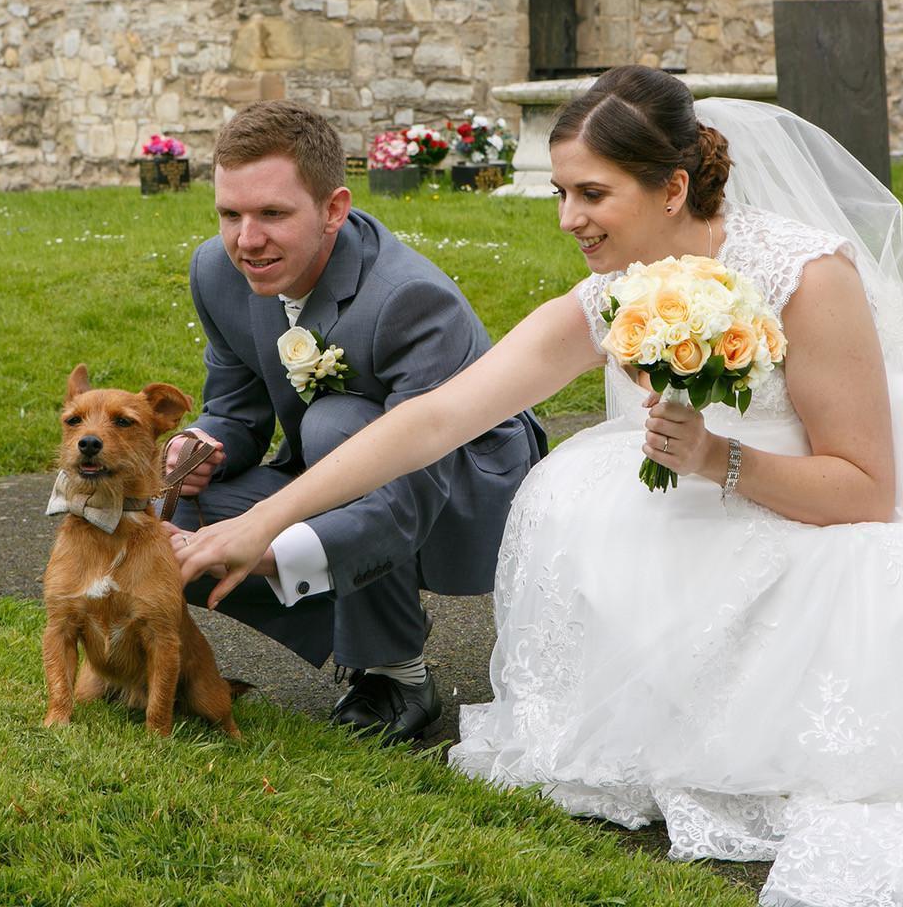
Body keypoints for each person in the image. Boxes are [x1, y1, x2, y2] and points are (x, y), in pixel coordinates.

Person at [173, 67, 903, 905]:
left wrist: (716, 461)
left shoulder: (806, 278)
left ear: (672, 187)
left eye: (592, 193)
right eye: (560, 192)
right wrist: (263, 520)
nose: (568, 219)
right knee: (577, 500)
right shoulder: (611, 290)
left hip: (805, 530)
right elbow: (435, 420)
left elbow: (865, 492)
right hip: (675, 517)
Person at [164, 100, 546, 745]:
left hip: (467, 487)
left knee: (335, 424)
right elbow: (235, 409)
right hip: (340, 470)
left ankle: (394, 670)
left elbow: (406, 488)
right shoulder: (217, 271)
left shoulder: (409, 299)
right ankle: (360, 620)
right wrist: (202, 447)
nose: (246, 240)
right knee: (177, 526)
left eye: (273, 214)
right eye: (231, 214)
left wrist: (266, 550)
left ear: (335, 209)